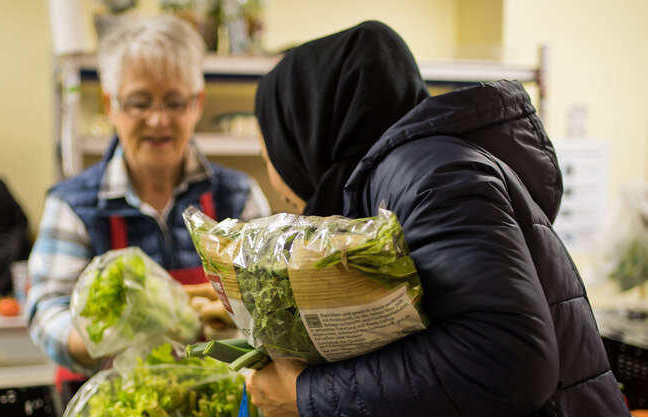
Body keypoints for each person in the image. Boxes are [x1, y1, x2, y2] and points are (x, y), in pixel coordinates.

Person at [246, 20, 629, 417]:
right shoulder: (396, 180)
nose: (275, 181)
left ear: (301, 134)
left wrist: (306, 395)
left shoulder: (425, 173)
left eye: (266, 149)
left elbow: (506, 360)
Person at [25, 14, 270, 400]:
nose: (159, 120)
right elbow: (47, 312)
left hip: (218, 399)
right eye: (140, 102)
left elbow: (270, 303)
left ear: (197, 102)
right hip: (118, 401)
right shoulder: (72, 206)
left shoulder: (238, 197)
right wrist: (108, 335)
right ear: (111, 104)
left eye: (174, 101)